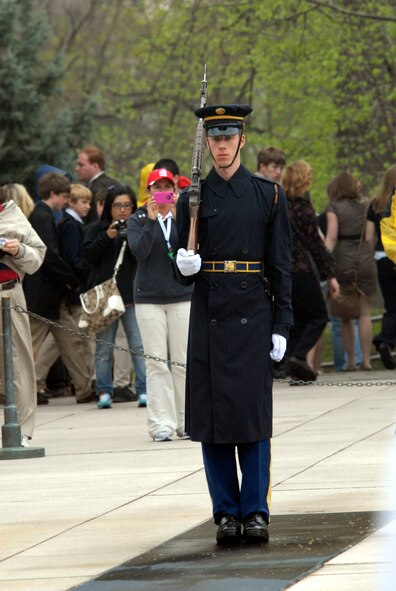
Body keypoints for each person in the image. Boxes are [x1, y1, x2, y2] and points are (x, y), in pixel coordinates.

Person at [175, 104, 293, 545]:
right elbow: (177, 263)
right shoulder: (195, 197)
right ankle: (225, 511)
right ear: (206, 143)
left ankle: (255, 510)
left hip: (252, 317)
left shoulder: (268, 195)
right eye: (214, 139)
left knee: (252, 419)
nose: (221, 146)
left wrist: (283, 323)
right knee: (213, 421)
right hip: (209, 316)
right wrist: (183, 265)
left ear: (242, 140)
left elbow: (280, 266)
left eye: (228, 138)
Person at [128, 168, 193, 442]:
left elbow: (192, 247)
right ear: (149, 192)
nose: (163, 193)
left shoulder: (184, 217)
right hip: (149, 298)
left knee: (182, 362)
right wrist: (152, 222)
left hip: (181, 294)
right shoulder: (138, 218)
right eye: (158, 188)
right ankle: (160, 424)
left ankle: (186, 421)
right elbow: (139, 252)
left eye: (168, 187)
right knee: (156, 363)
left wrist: (179, 217)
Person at [23, 172, 94, 404]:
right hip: (43, 295)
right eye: (64, 196)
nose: (65, 201)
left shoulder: (44, 215)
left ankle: (84, 388)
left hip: (53, 295)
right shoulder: (42, 217)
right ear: (53, 194)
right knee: (30, 346)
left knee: (70, 342)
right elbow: (48, 255)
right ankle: (24, 389)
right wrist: (69, 278)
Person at [82, 185, 147, 409]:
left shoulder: (138, 227)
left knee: (138, 345)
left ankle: (143, 390)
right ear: (109, 207)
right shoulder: (95, 229)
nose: (122, 211)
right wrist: (106, 237)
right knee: (103, 348)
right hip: (105, 297)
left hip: (131, 295)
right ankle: (104, 391)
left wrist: (132, 235)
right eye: (117, 206)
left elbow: (144, 255)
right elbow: (87, 257)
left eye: (127, 205)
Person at [282, 160, 339, 381]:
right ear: (303, 179)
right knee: (319, 316)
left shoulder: (279, 206)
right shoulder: (304, 209)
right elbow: (315, 244)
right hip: (301, 270)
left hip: (283, 272)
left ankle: (294, 364)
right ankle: (296, 357)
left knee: (298, 320)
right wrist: (331, 276)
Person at [0, 186, 46, 447]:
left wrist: (18, 251)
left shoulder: (11, 216)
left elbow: (37, 258)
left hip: (9, 295)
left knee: (18, 362)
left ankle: (22, 430)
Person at [325, 171, 378, 370]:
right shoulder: (368, 206)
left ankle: (350, 362)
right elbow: (370, 238)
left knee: (345, 314)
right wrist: (367, 255)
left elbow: (331, 237)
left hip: (342, 261)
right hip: (364, 259)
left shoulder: (334, 207)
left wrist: (323, 260)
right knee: (365, 314)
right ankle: (366, 360)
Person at [366, 165, 396, 369]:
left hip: (381, 256)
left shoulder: (375, 204)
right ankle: (385, 338)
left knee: (391, 304)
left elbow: (369, 237)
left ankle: (385, 340)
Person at [75, 146, 118, 223]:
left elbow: (94, 223)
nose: (77, 169)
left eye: (81, 165)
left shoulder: (96, 190)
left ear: (95, 166)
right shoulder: (113, 183)